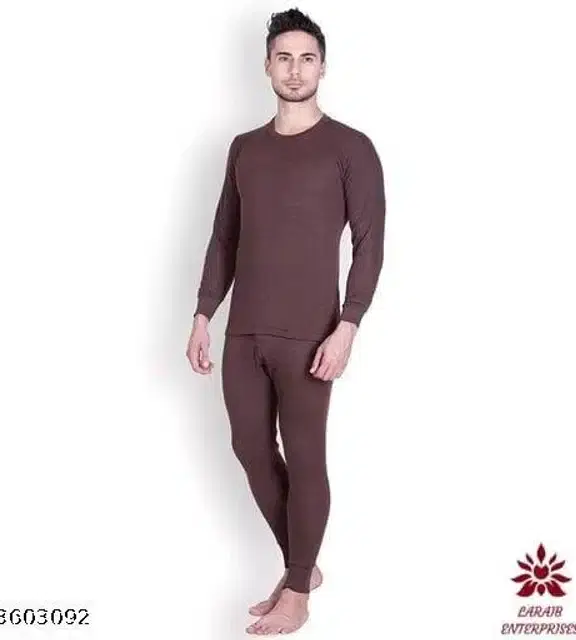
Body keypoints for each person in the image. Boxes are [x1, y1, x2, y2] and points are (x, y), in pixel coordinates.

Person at [186, 7, 386, 635]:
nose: (295, 69)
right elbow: (225, 235)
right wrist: (202, 313)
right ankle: (303, 566)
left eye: (306, 58)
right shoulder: (244, 148)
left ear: (322, 67)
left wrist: (348, 325)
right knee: (249, 449)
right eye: (284, 58)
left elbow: (370, 244)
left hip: (310, 335)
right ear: (267, 66)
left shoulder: (351, 147)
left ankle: (297, 590)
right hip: (243, 331)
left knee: (304, 457)